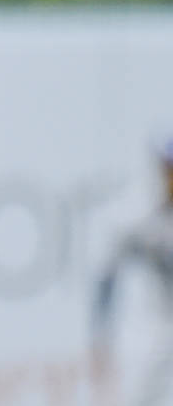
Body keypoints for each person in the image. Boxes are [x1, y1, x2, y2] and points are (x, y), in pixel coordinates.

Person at [92, 138, 173, 406]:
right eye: (168, 168)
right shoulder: (143, 217)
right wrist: (101, 332)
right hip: (157, 331)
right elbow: (107, 270)